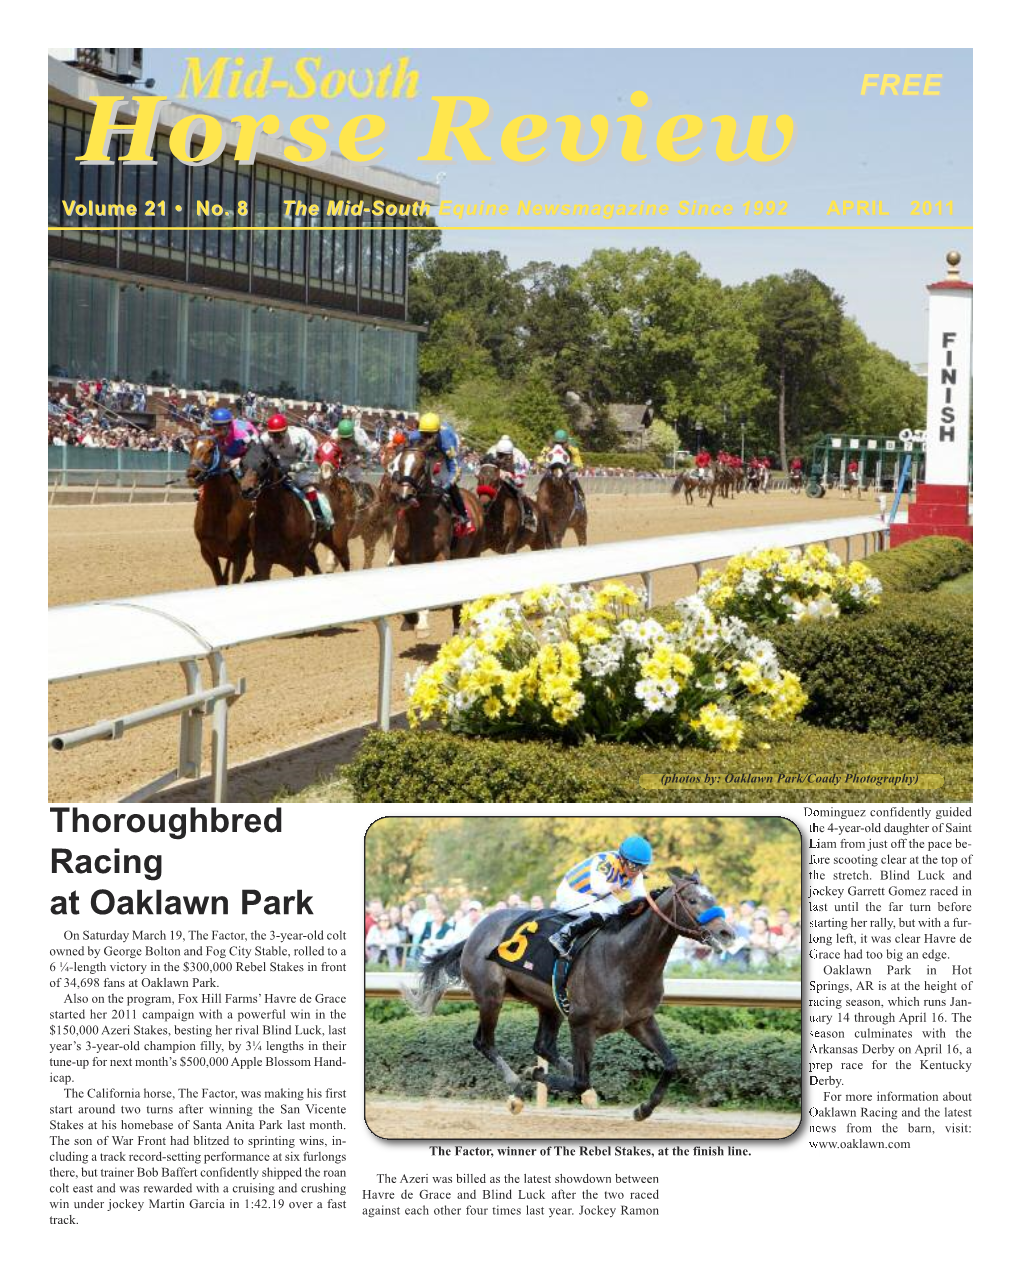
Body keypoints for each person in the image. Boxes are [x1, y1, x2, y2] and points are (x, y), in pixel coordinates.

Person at [548, 835, 654, 958]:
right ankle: (562, 936)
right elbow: (597, 886)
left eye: (642, 867)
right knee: (606, 911)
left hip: (595, 896)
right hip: (570, 894)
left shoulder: (636, 874)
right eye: (633, 866)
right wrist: (611, 887)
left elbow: (639, 896)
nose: (636, 871)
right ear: (622, 859)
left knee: (621, 910)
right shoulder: (605, 861)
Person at [261, 412, 333, 531]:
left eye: (279, 435)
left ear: (285, 431)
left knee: (304, 483)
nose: (275, 439)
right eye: (273, 435)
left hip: (305, 455)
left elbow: (305, 463)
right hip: (284, 455)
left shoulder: (298, 439)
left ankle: (319, 515)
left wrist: (289, 469)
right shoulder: (265, 439)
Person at [411, 411, 475, 537]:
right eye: (424, 435)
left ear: (437, 433)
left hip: (444, 456)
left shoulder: (447, 441)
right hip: (429, 454)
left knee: (443, 478)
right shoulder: (414, 437)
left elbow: (455, 470)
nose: (426, 439)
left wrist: (445, 487)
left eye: (430, 435)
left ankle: (463, 516)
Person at [482, 433, 532, 526]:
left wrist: (515, 476)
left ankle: (528, 514)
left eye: (505, 455)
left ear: (510, 454)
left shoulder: (518, 455)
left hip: (511, 476)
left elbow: (524, 468)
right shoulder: (491, 451)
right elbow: (484, 466)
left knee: (520, 492)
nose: (502, 458)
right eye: (500, 455)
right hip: (495, 475)